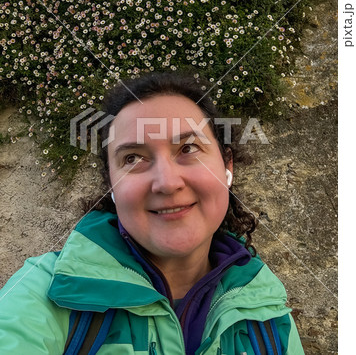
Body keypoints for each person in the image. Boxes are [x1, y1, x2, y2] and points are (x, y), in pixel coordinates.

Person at [0, 71, 304, 354]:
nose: (167, 182)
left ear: (227, 168)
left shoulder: (270, 316)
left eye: (188, 149)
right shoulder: (43, 291)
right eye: (133, 157)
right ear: (112, 188)